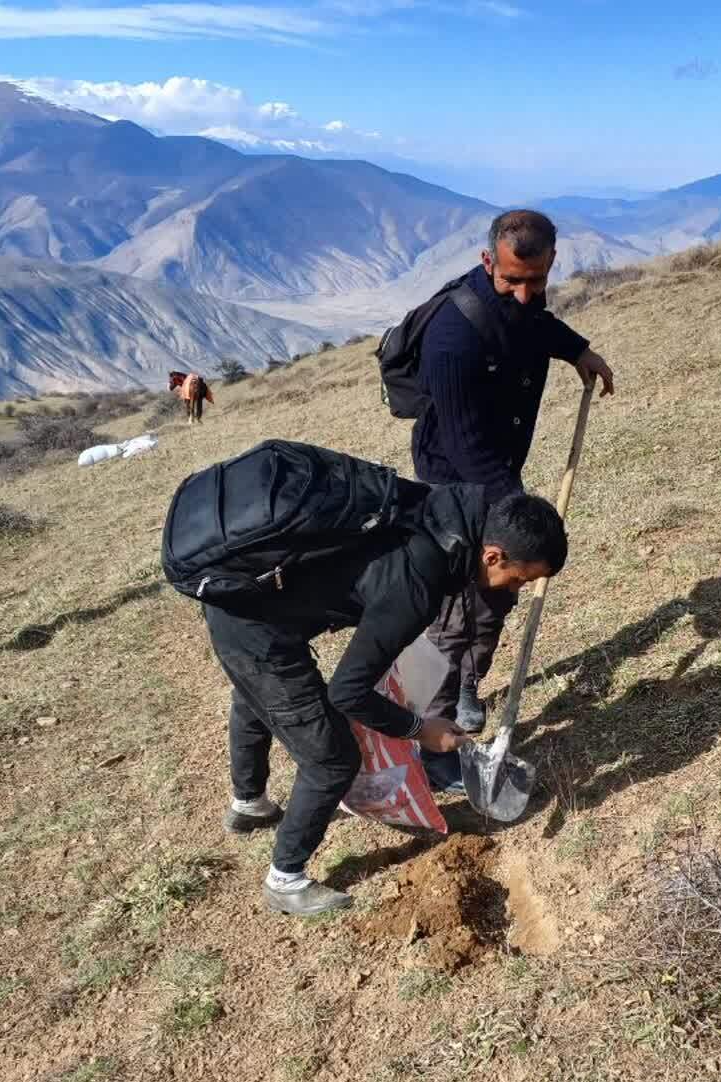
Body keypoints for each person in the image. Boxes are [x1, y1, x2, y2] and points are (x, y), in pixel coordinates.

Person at [185, 449, 568, 916]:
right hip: (254, 622)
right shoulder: (419, 581)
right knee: (331, 757)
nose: (513, 591)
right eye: (517, 580)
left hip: (251, 595)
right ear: (492, 553)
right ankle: (285, 879)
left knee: (256, 694)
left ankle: (250, 804)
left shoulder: (441, 510)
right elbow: (347, 693)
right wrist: (418, 728)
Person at [410, 209, 615, 744]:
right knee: (455, 603)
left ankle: (470, 685)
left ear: (551, 263)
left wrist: (577, 350)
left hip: (497, 473)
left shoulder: (526, 301)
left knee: (500, 591)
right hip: (452, 483)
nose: (525, 293)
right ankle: (430, 719)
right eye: (511, 281)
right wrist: (519, 512)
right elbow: (464, 443)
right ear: (486, 262)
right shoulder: (451, 336)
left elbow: (533, 325)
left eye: (537, 281)